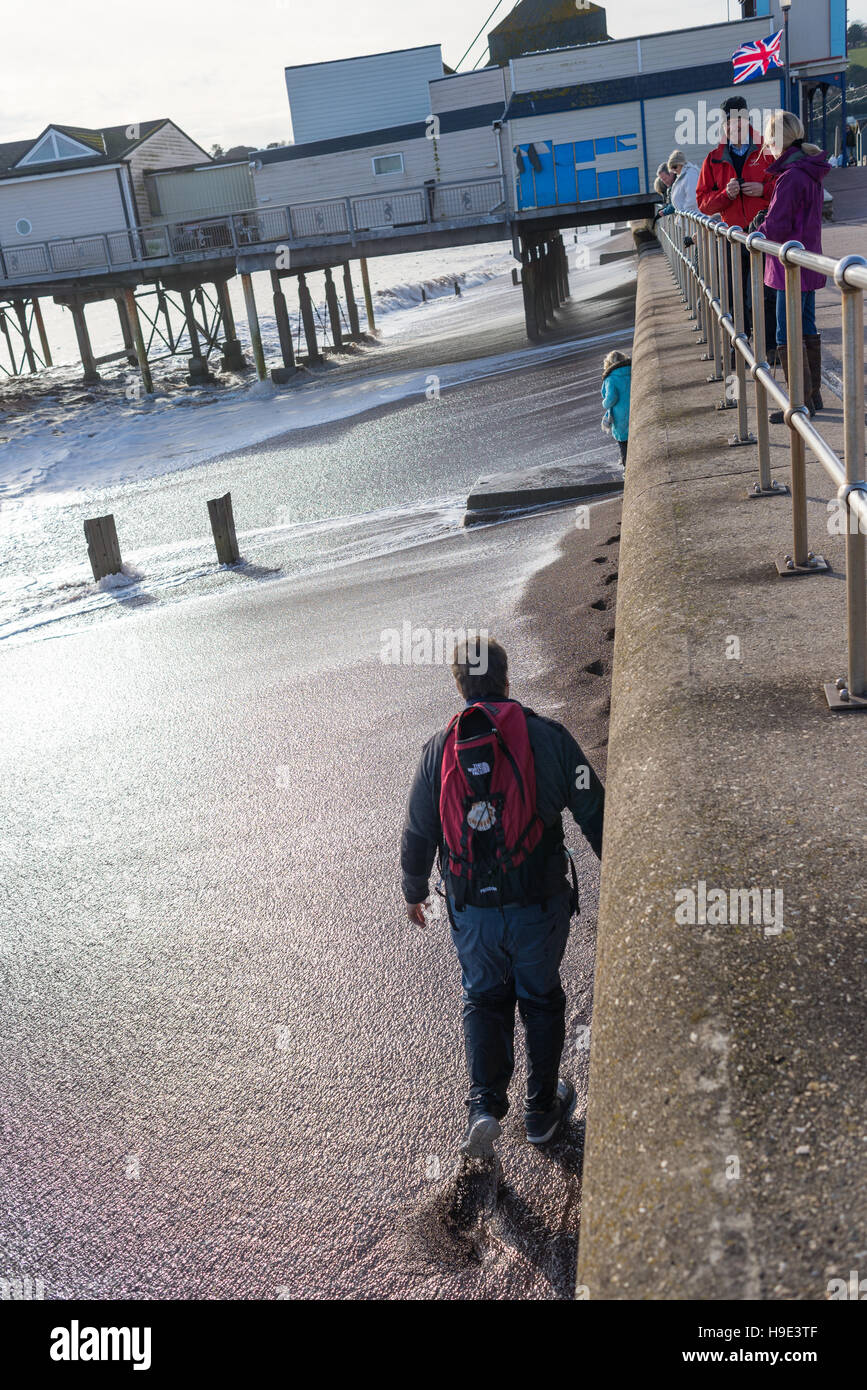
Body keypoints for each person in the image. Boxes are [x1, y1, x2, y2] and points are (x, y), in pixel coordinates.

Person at [401, 635, 604, 1156]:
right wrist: (622, 870)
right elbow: (594, 808)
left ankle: (485, 1107)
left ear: (459, 685)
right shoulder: (548, 738)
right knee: (539, 998)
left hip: (473, 913)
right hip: (537, 904)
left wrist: (414, 889)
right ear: (506, 678)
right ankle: (540, 1110)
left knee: (485, 998)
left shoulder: (436, 753)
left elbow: (419, 829)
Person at [755, 110, 830, 422]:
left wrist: (757, 228)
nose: (767, 146)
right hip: (808, 263)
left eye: (769, 140)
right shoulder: (809, 171)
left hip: (789, 268)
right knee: (807, 328)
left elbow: (778, 225)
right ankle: (813, 397)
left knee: (787, 333)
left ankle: (798, 401)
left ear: (777, 141)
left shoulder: (790, 177)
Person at [601, 350, 631, 468]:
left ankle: (627, 468)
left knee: (624, 444)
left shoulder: (611, 378)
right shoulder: (632, 370)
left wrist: (604, 404)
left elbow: (611, 398)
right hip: (635, 410)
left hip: (621, 417)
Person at [667, 149, 701, 215]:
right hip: (686, 217)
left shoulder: (691, 174)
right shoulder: (682, 175)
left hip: (691, 217)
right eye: (672, 168)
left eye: (675, 167)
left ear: (681, 163)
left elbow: (692, 198)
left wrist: (683, 213)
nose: (674, 170)